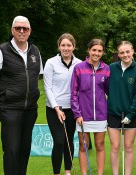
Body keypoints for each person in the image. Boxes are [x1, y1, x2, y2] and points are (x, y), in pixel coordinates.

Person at [0, 16, 43, 175]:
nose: (22, 31)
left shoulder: (35, 51)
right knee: (11, 150)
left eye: (25, 28)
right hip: (10, 109)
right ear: (12, 30)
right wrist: (4, 98)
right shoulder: (0, 51)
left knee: (24, 149)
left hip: (30, 109)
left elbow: (37, 75)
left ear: (30, 31)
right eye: (18, 28)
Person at [44, 33, 82, 175]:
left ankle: (67, 171)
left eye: (69, 45)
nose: (66, 48)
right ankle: (56, 172)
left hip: (72, 108)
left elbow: (81, 88)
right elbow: (47, 87)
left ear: (74, 47)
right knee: (59, 141)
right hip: (54, 109)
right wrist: (56, 108)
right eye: (63, 45)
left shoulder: (79, 64)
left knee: (69, 140)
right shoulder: (51, 62)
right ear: (59, 46)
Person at [70, 38, 110, 175]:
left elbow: (109, 92)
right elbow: (74, 93)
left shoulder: (106, 69)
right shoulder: (79, 68)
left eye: (99, 51)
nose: (96, 53)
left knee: (99, 145)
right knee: (83, 146)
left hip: (100, 115)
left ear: (102, 52)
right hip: (83, 115)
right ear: (89, 50)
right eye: (94, 50)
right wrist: (77, 114)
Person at [107, 41, 136, 175]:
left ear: (132, 51)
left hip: (130, 115)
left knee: (128, 147)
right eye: (122, 52)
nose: (125, 55)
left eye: (127, 52)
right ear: (118, 54)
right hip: (113, 113)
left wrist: (131, 114)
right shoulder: (112, 67)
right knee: (115, 146)